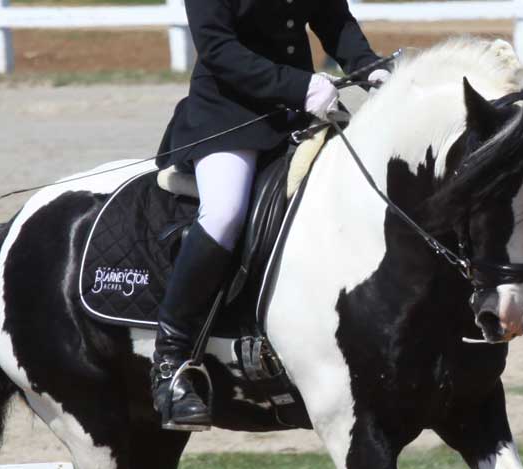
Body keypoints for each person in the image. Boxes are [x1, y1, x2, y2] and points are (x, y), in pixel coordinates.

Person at [152, 0, 388, 430]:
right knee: (225, 213)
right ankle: (171, 360)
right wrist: (301, 86)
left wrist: (371, 66)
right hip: (230, 116)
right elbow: (218, 49)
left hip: (299, 112)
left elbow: (332, 19)